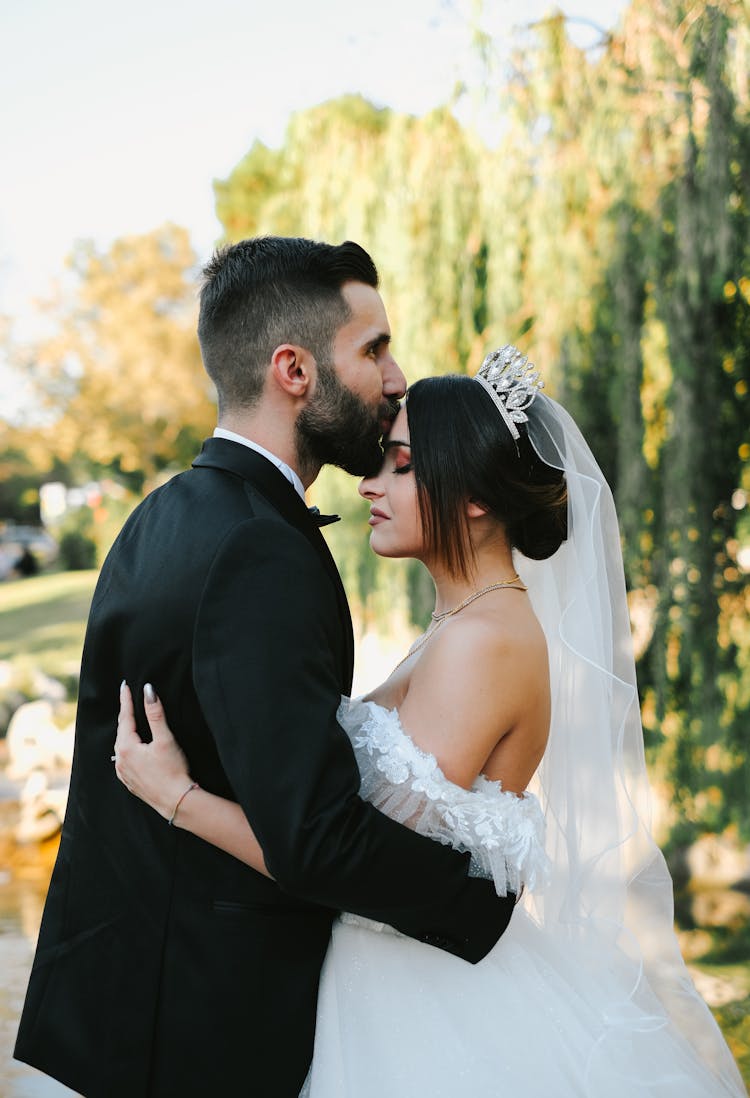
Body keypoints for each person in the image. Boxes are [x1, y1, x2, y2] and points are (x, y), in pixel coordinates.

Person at [113, 346, 746, 1097]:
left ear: (475, 494)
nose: (369, 484)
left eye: (401, 464)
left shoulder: (485, 645)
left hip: (419, 1011)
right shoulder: (462, 625)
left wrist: (176, 798)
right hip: (380, 980)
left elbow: (355, 859)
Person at [13, 238, 517, 1098]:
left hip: (101, 1016)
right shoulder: (261, 549)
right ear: (294, 370)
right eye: (374, 349)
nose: (396, 379)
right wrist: (478, 908)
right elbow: (313, 834)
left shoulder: (160, 514)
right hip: (198, 1040)